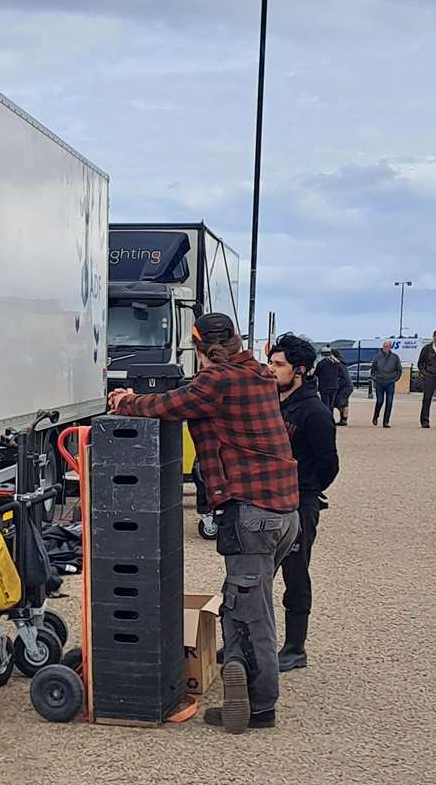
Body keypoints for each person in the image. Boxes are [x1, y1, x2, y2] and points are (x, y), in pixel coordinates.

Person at [108, 313, 299, 733]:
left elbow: (167, 406)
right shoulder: (258, 373)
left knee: (250, 613)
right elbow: (190, 397)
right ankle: (237, 672)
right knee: (251, 602)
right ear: (236, 339)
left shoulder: (216, 382)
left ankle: (259, 706)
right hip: (285, 512)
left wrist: (125, 402)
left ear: (197, 348)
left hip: (251, 512)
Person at [267, 335, 339, 672]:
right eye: (270, 362)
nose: (271, 369)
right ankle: (250, 643)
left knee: (296, 577)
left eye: (278, 365)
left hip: (300, 504)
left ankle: (295, 647)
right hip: (265, 501)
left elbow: (329, 465)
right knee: (252, 578)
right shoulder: (270, 403)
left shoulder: (316, 412)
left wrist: (304, 490)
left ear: (301, 370)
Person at [314, 348, 353, 426]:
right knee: (331, 404)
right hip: (334, 386)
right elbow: (341, 374)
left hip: (324, 386)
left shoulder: (321, 364)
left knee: (325, 404)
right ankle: (331, 420)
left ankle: (326, 420)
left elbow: (316, 374)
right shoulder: (337, 363)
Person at [369, 340, 402, 427]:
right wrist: (375, 378)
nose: (385, 348)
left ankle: (386, 421)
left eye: (387, 346)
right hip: (379, 382)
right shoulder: (377, 357)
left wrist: (395, 379)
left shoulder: (395, 357)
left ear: (390, 347)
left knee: (389, 402)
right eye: (384, 346)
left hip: (390, 382)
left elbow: (399, 370)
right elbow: (373, 370)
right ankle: (376, 416)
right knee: (380, 401)